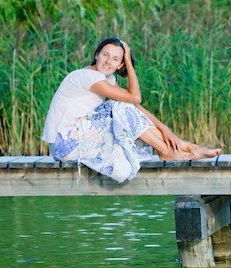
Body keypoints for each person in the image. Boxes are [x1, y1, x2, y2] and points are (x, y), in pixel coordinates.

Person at [42, 37, 221, 183]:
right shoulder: (88, 77)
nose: (108, 61)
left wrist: (166, 130)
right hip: (64, 145)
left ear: (118, 65)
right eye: (105, 55)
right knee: (117, 106)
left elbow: (134, 106)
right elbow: (135, 98)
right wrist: (127, 60)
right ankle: (166, 151)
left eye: (115, 59)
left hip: (80, 137)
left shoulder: (107, 79)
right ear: (96, 55)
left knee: (122, 107)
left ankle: (180, 145)